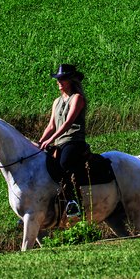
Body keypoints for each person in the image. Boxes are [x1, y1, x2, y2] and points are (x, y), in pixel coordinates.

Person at [38, 63, 90, 217]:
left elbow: (68, 123)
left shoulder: (77, 98)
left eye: (63, 79)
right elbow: (51, 126)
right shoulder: (57, 101)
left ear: (71, 80)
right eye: (58, 79)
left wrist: (51, 139)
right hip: (59, 142)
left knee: (64, 162)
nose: (59, 82)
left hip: (74, 140)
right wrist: (41, 142)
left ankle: (73, 202)